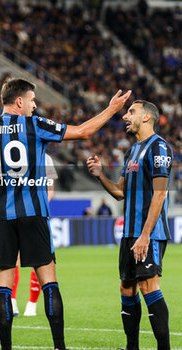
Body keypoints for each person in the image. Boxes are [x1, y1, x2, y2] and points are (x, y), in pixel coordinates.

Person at [0, 77, 131, 350]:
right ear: (19, 101)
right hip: (34, 214)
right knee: (49, 281)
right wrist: (111, 110)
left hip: (1, 216)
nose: (35, 106)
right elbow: (83, 131)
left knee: (3, 285)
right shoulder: (36, 125)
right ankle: (59, 346)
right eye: (33, 101)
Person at [87, 100, 172, 350]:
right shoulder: (132, 151)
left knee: (148, 286)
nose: (126, 116)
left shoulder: (159, 148)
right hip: (129, 233)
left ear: (146, 117)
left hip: (150, 234)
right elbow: (119, 192)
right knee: (126, 287)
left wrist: (145, 235)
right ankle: (131, 347)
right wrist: (101, 175)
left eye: (131, 112)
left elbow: (160, 194)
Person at [11, 153, 58, 317]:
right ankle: (12, 301)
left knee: (37, 259)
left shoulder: (46, 158)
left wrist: (40, 207)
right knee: (13, 257)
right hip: (15, 212)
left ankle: (32, 303)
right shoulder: (15, 154)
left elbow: (50, 189)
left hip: (36, 214)